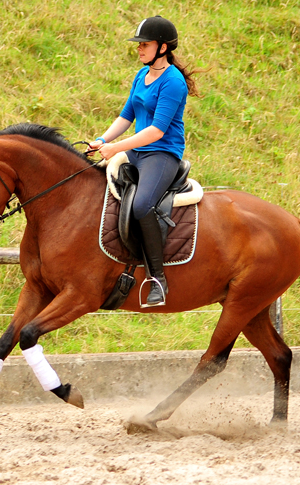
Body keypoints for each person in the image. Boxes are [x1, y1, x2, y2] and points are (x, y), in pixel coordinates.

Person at [90, 16, 201, 307]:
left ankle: (158, 279)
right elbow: (126, 116)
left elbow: (156, 130)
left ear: (163, 47)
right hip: (137, 151)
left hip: (162, 153)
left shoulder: (174, 81)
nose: (139, 50)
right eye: (139, 45)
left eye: (145, 45)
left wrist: (116, 148)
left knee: (141, 205)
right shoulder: (142, 76)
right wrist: (102, 140)